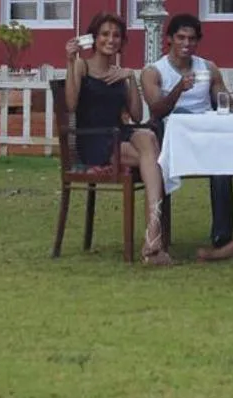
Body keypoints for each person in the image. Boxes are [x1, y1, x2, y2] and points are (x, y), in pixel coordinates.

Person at [64, 13, 174, 265]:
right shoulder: (82, 66)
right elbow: (70, 104)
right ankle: (153, 242)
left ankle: (153, 238)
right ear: (94, 38)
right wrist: (70, 61)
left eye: (115, 35)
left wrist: (130, 78)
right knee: (156, 162)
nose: (110, 40)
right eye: (104, 34)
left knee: (147, 137)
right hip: (93, 140)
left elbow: (136, 115)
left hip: (119, 134)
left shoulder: (119, 73)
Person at [141, 13, 233, 249]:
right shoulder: (153, 71)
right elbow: (156, 111)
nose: (186, 44)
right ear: (169, 39)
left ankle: (222, 235)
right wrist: (179, 88)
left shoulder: (208, 68)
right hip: (173, 139)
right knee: (182, 117)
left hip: (207, 135)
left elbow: (223, 100)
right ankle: (162, 232)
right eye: (181, 38)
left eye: (192, 39)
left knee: (222, 167)